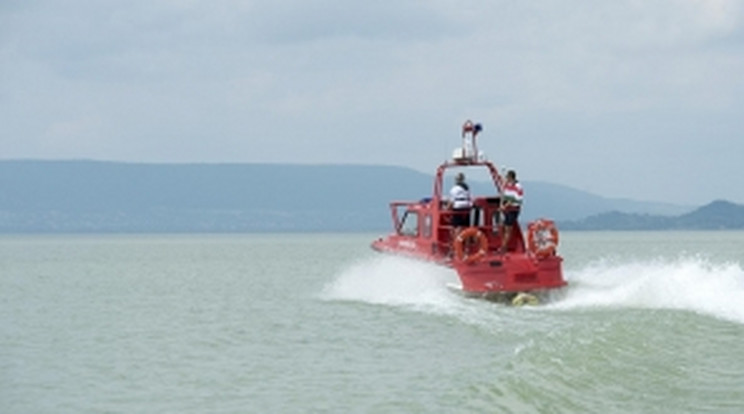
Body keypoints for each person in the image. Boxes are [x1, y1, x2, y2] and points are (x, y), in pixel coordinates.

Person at [500, 170, 523, 253]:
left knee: (508, 228)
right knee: (503, 227)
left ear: (511, 177)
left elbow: (514, 199)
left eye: (507, 177)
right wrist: (502, 204)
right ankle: (503, 244)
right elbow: (505, 196)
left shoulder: (518, 186)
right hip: (507, 209)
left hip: (513, 209)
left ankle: (504, 247)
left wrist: (504, 206)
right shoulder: (508, 186)